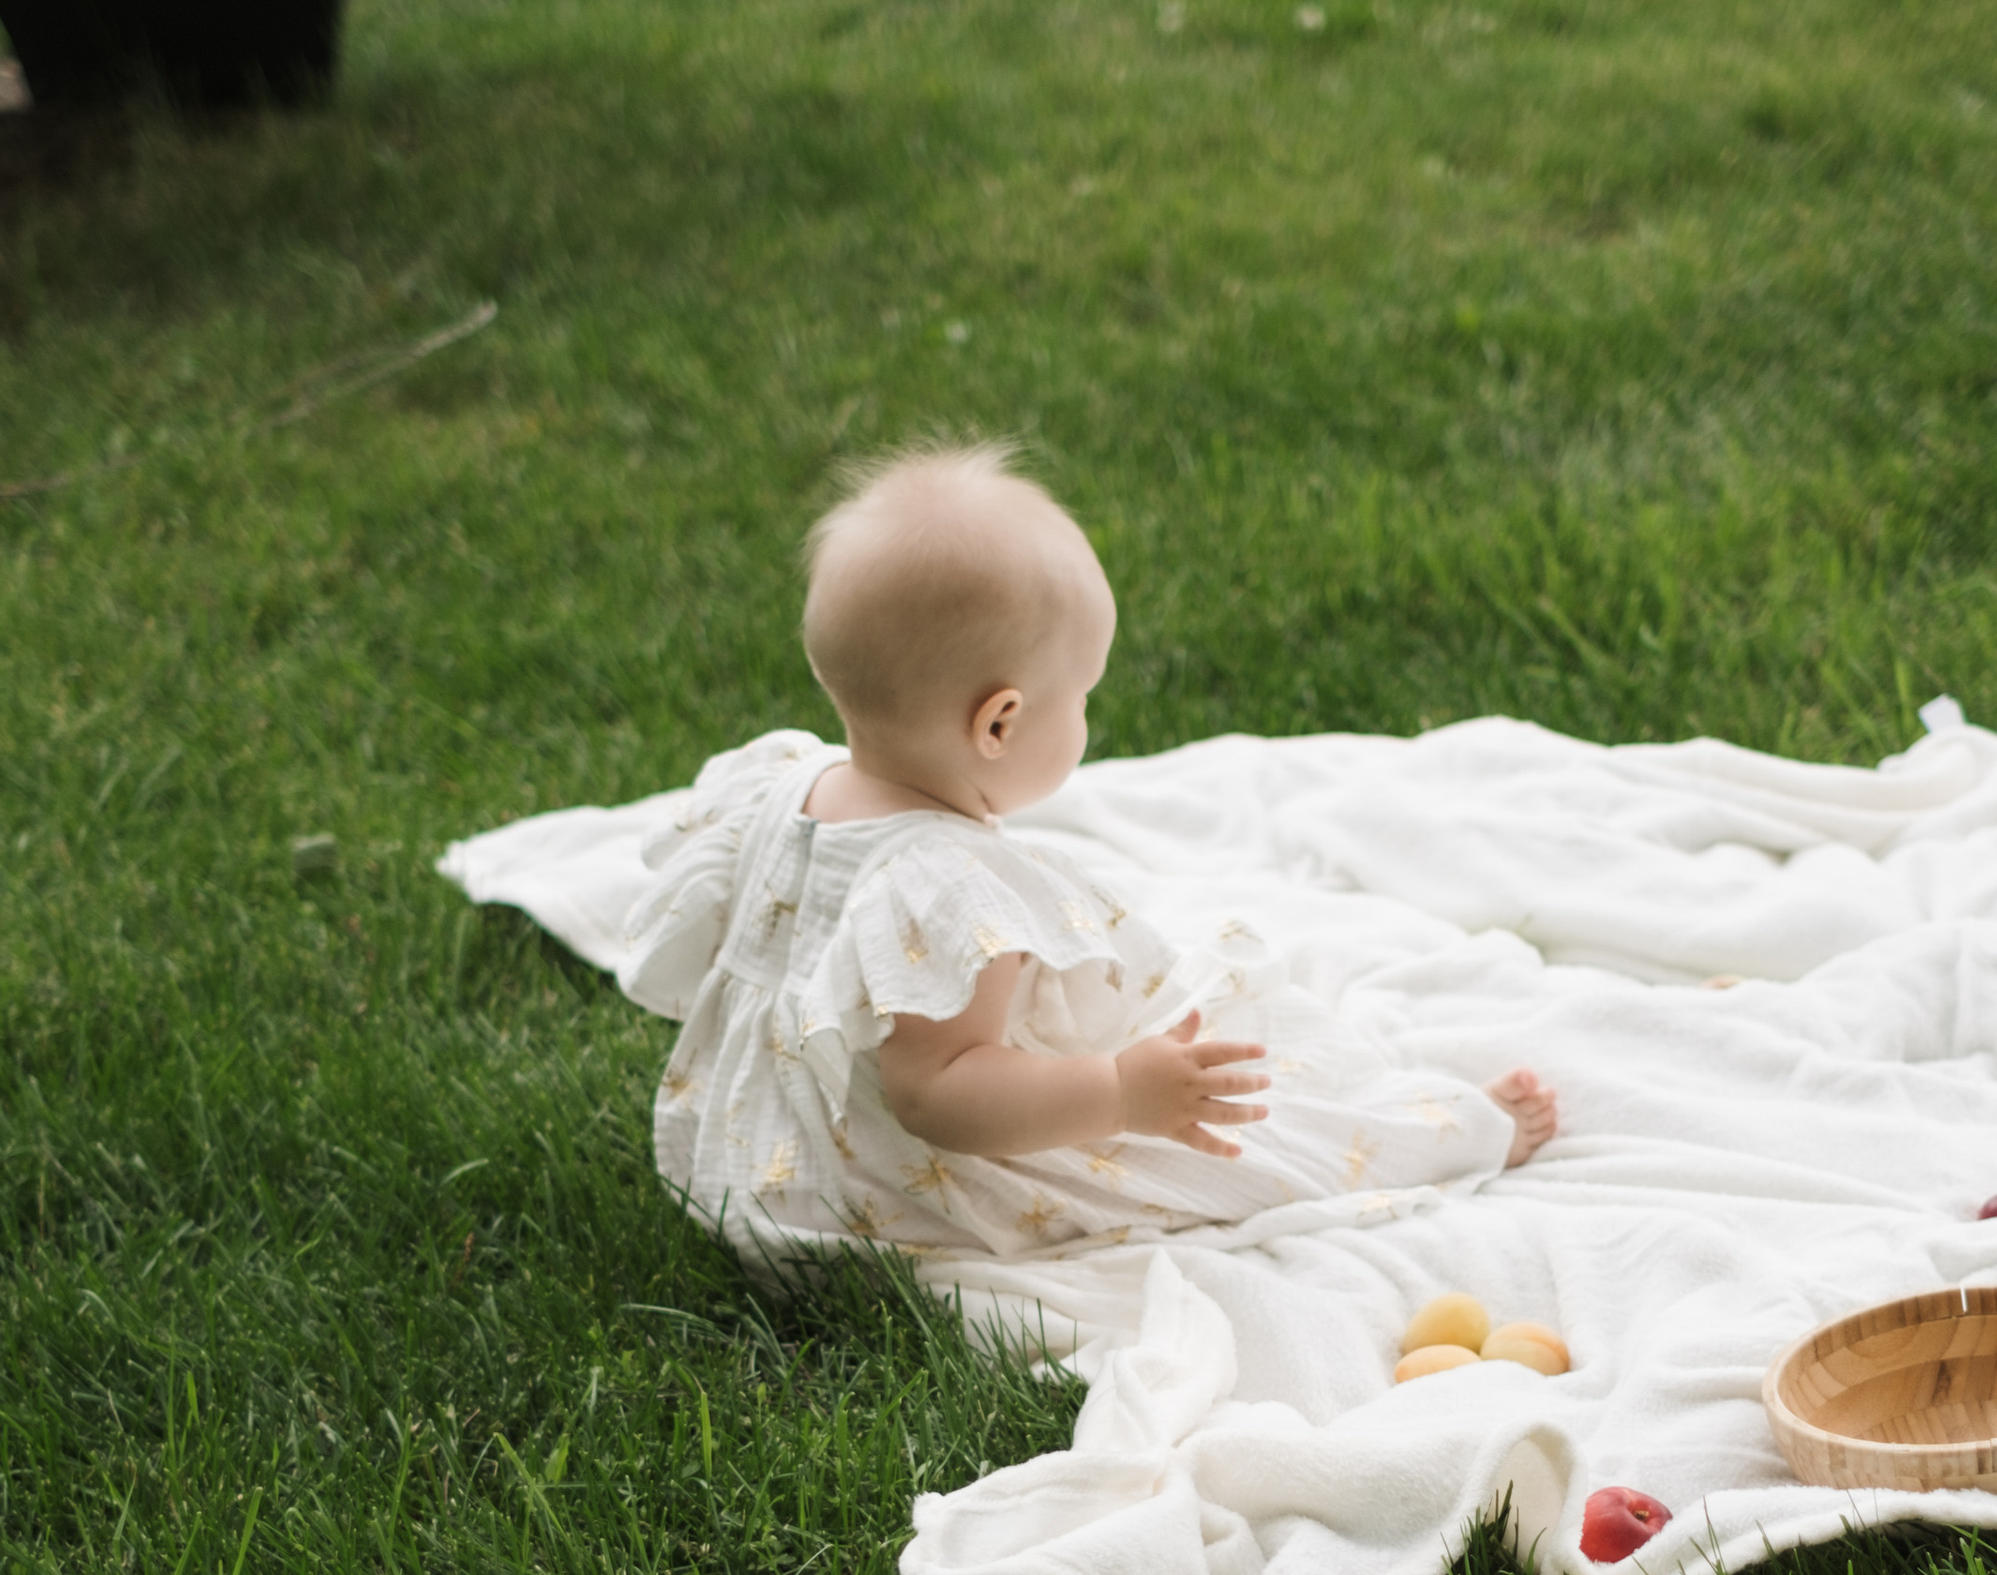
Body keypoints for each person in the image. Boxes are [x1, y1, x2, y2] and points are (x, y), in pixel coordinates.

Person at [609, 445, 1556, 1269]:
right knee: (1248, 1140)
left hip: (761, 1158)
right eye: (1085, 695)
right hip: (882, 1192)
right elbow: (939, 1096)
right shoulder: (942, 890)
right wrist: (1119, 1093)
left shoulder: (784, 785)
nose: (1090, 715)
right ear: (1000, 723)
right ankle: (1449, 1134)